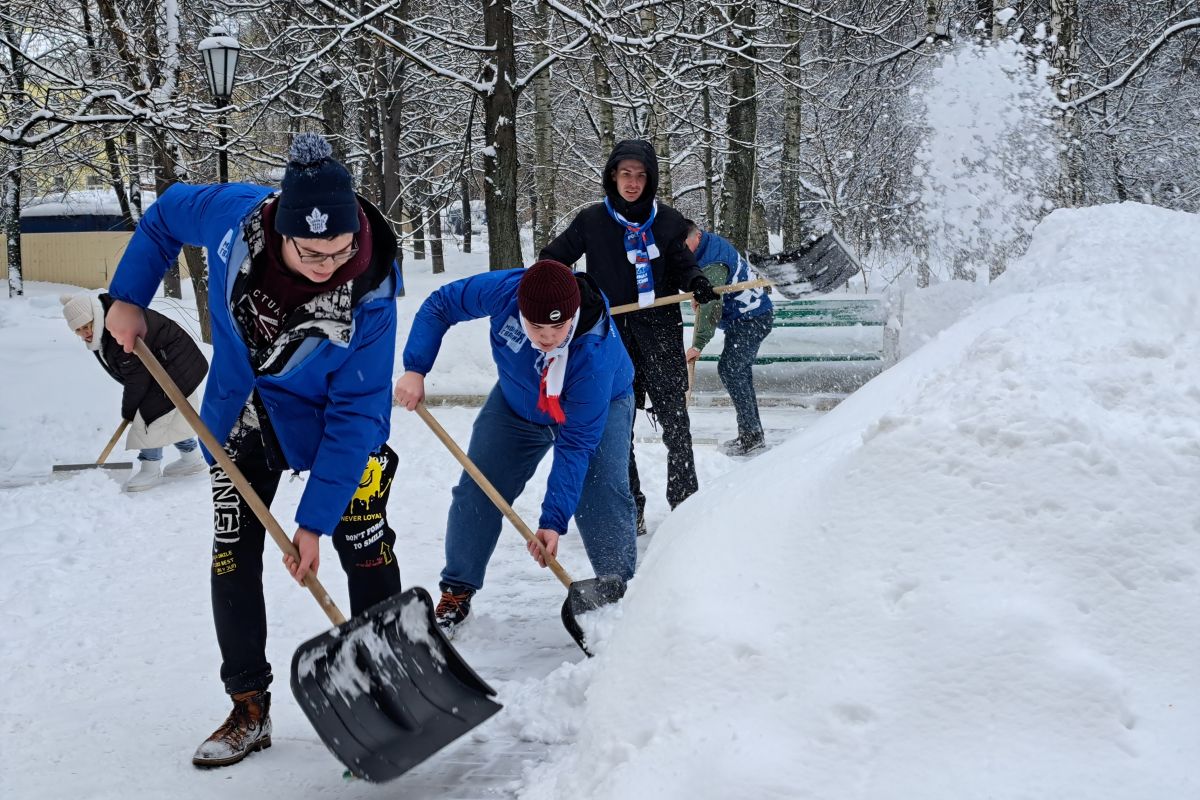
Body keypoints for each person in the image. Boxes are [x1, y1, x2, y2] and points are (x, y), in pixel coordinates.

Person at [103, 133, 403, 769]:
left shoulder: (372, 288)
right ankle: (248, 707)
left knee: (363, 538)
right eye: (313, 252)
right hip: (241, 411)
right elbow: (162, 217)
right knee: (232, 549)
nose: (329, 265)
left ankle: (385, 692)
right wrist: (129, 298)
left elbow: (356, 412)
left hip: (335, 418)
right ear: (280, 233)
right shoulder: (234, 217)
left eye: (341, 248)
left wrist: (313, 522)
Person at [393, 259, 637, 632]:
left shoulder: (594, 355)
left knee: (601, 492)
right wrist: (415, 367)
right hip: (517, 402)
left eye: (558, 326)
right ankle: (457, 589)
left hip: (600, 405)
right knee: (479, 488)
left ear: (573, 313)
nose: (547, 337)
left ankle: (620, 594)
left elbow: (575, 448)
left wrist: (552, 521)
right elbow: (441, 304)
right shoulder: (506, 290)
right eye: (536, 326)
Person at [539, 140, 719, 536]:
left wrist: (698, 282)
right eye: (625, 174)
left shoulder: (668, 221)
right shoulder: (591, 221)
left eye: (640, 175)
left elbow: (682, 264)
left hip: (660, 331)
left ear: (650, 179)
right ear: (613, 176)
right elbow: (551, 259)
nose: (633, 182)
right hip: (612, 337)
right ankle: (630, 505)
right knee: (619, 425)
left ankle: (685, 501)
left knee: (675, 419)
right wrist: (578, 290)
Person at [60, 291, 208, 490]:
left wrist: (130, 410)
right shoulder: (104, 327)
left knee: (149, 418)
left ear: (96, 316)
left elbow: (137, 377)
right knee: (172, 417)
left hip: (174, 366)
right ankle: (191, 459)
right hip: (168, 365)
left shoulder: (117, 332)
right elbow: (134, 374)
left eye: (87, 325)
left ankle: (150, 469)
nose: (85, 332)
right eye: (78, 330)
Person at [682, 221, 775, 456]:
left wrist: (698, 345)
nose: (683, 250)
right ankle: (751, 433)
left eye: (684, 245)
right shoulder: (707, 245)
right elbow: (710, 291)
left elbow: (712, 307)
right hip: (746, 318)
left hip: (752, 319)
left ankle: (752, 435)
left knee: (731, 370)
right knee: (736, 371)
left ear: (696, 236)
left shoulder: (713, 261)